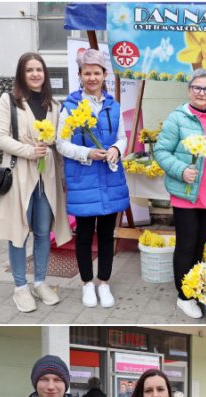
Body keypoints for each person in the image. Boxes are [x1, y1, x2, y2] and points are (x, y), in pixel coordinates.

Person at [0, 52, 71, 313]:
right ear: (21, 74)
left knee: (42, 231)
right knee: (18, 232)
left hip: (46, 176)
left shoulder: (55, 106)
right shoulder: (9, 101)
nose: (35, 74)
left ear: (45, 73)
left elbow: (60, 143)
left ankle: (39, 281)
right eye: (29, 70)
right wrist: (28, 151)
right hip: (20, 175)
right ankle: (19, 287)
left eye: (39, 69)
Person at [153, 69, 206, 319]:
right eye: (197, 87)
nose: (201, 92)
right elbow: (161, 152)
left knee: (200, 245)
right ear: (189, 90)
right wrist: (181, 169)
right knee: (186, 245)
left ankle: (195, 288)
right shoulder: (178, 118)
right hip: (186, 192)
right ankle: (184, 296)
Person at [56, 49, 128, 309]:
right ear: (80, 75)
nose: (92, 78)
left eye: (97, 73)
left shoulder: (113, 106)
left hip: (109, 178)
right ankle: (87, 284)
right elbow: (61, 143)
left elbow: (122, 136)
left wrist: (116, 150)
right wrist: (87, 153)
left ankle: (104, 283)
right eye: (87, 73)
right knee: (85, 235)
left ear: (104, 75)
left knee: (107, 235)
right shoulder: (70, 106)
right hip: (83, 179)